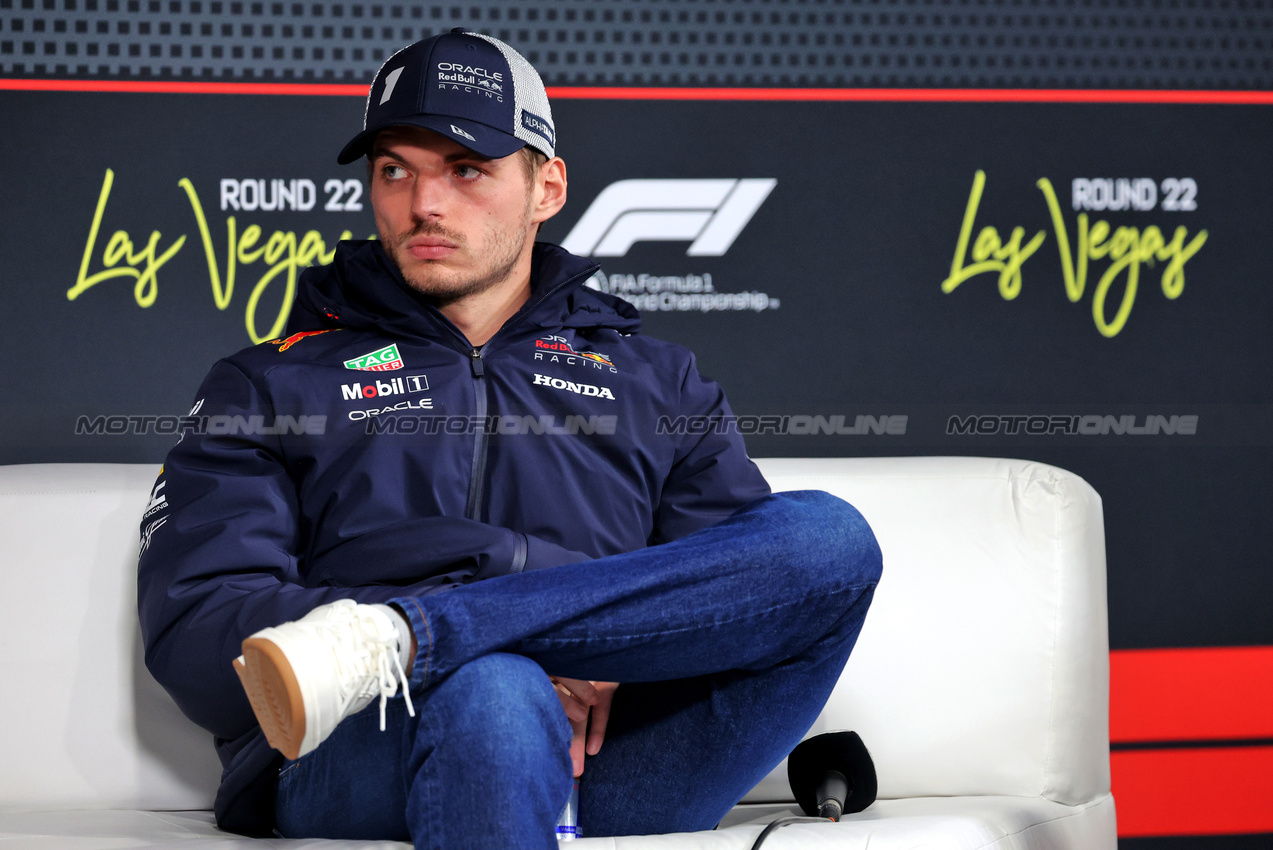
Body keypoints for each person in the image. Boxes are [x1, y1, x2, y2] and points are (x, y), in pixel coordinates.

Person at [137, 29, 882, 849]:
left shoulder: (660, 383)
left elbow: (733, 605)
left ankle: (409, 638)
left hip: (618, 757)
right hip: (366, 747)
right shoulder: (271, 383)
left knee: (831, 539)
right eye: (395, 171)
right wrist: (518, 607)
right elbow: (202, 636)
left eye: (466, 169)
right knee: (494, 689)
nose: (424, 205)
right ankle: (428, 647)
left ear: (546, 185)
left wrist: (576, 645)